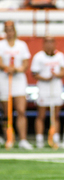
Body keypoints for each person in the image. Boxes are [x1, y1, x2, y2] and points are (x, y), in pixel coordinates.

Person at [0, 21, 33, 150]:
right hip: (4, 79)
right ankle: (9, 138)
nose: (9, 32)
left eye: (11, 29)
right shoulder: (1, 45)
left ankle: (23, 139)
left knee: (21, 111)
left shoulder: (21, 45)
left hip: (18, 80)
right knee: (7, 112)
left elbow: (25, 63)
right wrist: (6, 67)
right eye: (7, 30)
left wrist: (18, 69)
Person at [31, 36, 64, 149]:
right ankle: (39, 139)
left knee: (55, 115)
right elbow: (34, 73)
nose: (49, 44)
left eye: (51, 42)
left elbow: (63, 71)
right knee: (41, 114)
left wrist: (56, 75)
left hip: (56, 88)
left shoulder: (60, 56)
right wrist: (45, 78)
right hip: (43, 88)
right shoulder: (38, 56)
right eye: (47, 42)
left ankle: (55, 138)